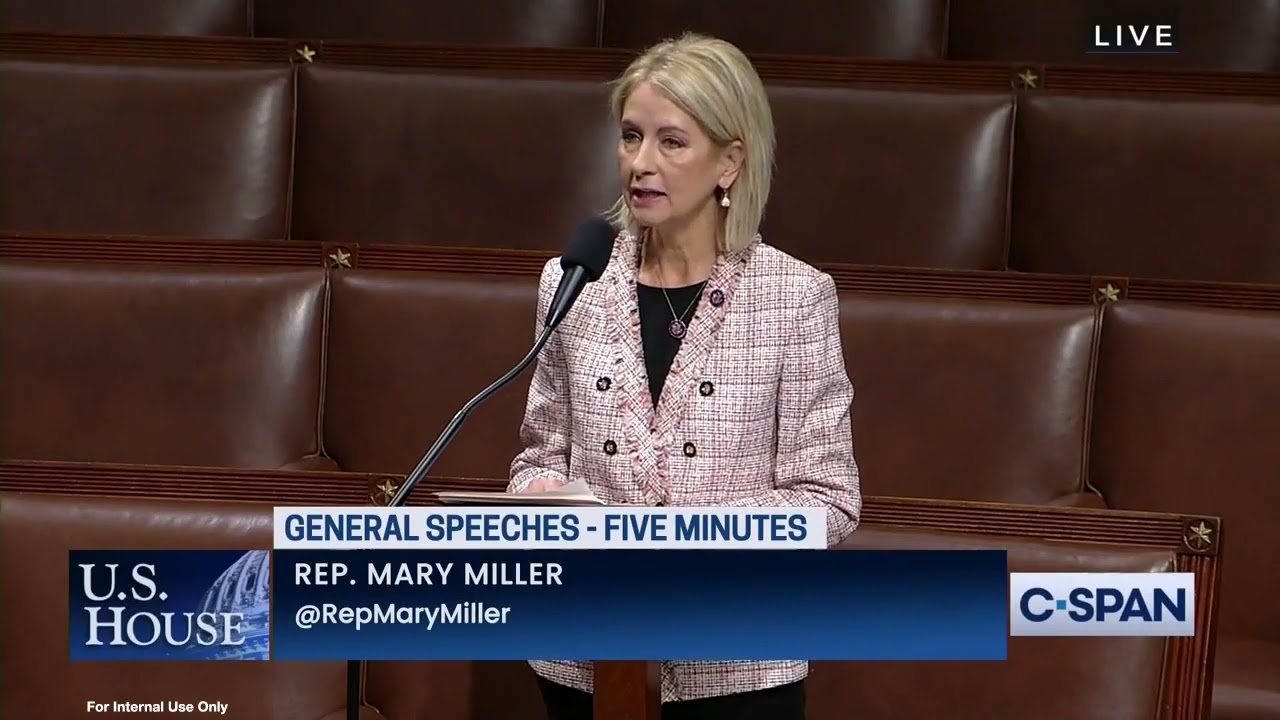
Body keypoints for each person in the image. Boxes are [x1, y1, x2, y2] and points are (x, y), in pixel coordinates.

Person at [508, 32, 862, 720]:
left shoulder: (794, 297)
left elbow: (829, 499)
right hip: (584, 658)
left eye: (671, 142)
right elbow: (538, 459)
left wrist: (691, 543)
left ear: (730, 162)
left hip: (736, 668)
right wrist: (541, 493)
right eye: (631, 137)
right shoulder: (572, 283)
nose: (641, 162)